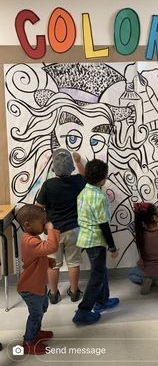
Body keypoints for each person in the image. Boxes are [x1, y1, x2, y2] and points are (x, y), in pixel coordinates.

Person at [72, 159, 119, 325]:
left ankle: (102, 301)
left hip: (86, 238)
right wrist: (112, 246)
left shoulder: (83, 192)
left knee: (100, 271)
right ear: (102, 179)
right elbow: (104, 224)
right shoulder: (99, 197)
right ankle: (83, 312)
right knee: (97, 277)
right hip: (95, 241)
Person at [36, 148, 86, 304]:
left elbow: (38, 207)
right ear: (71, 167)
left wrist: (44, 225)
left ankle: (53, 293)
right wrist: (79, 162)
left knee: (53, 265)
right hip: (74, 229)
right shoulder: (77, 181)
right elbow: (86, 177)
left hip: (53, 231)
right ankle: (74, 291)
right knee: (74, 263)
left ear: (53, 168)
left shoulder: (48, 185)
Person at [17, 205, 60, 355]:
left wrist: (47, 260)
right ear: (28, 224)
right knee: (35, 315)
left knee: (42, 309)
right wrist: (50, 229)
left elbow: (34, 258)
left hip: (38, 285)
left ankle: (36, 333)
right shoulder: (29, 241)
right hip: (30, 287)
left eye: (45, 221)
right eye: (41, 222)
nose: (44, 224)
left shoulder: (32, 238)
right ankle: (28, 342)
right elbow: (52, 247)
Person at [129, 203, 158, 294]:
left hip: (145, 270)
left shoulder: (140, 235)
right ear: (154, 218)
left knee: (131, 274)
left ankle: (146, 280)